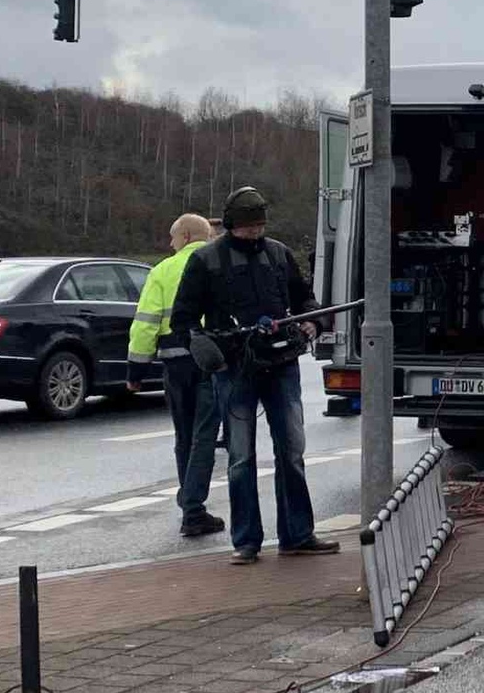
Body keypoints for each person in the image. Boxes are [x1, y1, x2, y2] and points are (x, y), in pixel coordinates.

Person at [170, 186, 337, 565]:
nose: (254, 235)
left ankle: (298, 534)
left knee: (292, 451)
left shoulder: (279, 255)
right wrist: (204, 350)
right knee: (240, 457)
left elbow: (305, 299)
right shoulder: (206, 261)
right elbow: (182, 319)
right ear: (231, 225)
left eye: (259, 227)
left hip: (282, 365)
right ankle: (246, 541)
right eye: (248, 229)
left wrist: (312, 321)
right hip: (234, 370)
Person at [128, 211, 224, 539]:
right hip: (212, 362)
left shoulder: (162, 271)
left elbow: (144, 324)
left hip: (175, 365)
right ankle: (193, 509)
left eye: (172, 237)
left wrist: (136, 370)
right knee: (205, 437)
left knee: (185, 437)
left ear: (184, 237)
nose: (170, 244)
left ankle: (191, 506)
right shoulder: (219, 264)